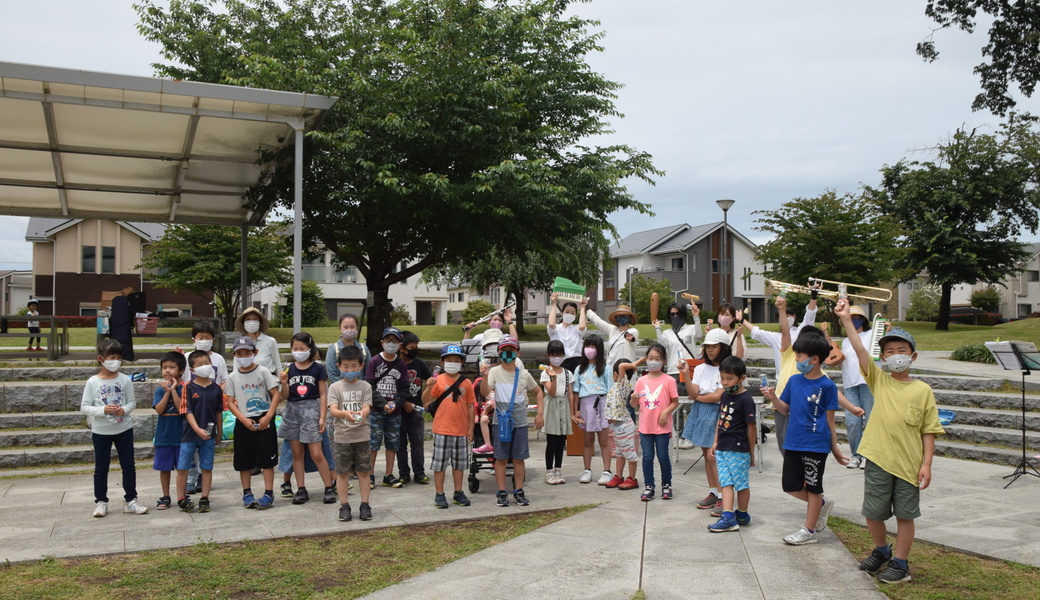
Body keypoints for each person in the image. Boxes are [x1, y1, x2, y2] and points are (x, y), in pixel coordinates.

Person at [836, 300, 945, 584]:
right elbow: (859, 351)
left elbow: (928, 429)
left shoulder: (923, 390)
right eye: (890, 352)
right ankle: (882, 550)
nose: (896, 356)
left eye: (902, 351)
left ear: (914, 356)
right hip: (878, 459)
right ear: (882, 358)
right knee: (873, 512)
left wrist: (927, 464)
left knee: (906, 516)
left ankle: (901, 563)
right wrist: (847, 320)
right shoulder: (878, 381)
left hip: (908, 465)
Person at [762, 332, 848, 546]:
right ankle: (821, 504)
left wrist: (834, 448)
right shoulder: (793, 381)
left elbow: (830, 420)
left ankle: (808, 530)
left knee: (813, 487)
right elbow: (785, 410)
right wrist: (773, 398)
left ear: (814, 359)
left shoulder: (827, 386)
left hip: (815, 444)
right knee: (790, 485)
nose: (797, 360)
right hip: (793, 441)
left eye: (800, 356)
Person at [81, 339, 148, 517]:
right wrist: (103, 410)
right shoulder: (93, 382)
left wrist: (123, 410)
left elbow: (132, 402)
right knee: (101, 467)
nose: (116, 361)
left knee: (128, 465)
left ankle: (131, 500)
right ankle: (101, 501)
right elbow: (85, 407)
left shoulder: (125, 380)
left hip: (123, 429)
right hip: (101, 431)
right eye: (112, 357)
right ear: (101, 359)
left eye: (119, 357)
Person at [480, 335, 543, 507]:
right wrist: (485, 376)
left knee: (518, 458)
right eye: (504, 350)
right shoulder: (494, 372)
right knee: (500, 458)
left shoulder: (523, 374)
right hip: (501, 423)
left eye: (511, 350)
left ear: (518, 352)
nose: (508, 353)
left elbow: (538, 391)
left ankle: (519, 490)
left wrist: (540, 414)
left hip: (520, 422)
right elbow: (485, 391)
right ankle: (501, 492)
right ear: (499, 353)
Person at [224, 336, 282, 510]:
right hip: (244, 421)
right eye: (239, 353)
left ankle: (268, 493)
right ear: (234, 355)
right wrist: (242, 419)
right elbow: (230, 402)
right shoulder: (233, 377)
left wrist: (268, 417)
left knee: (267, 460)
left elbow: (276, 395)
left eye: (247, 353)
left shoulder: (264, 372)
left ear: (255, 353)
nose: (243, 356)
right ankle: (247, 492)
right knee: (244, 460)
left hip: (264, 419)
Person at [279, 332, 335, 505]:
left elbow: (323, 394)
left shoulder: (318, 368)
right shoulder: (289, 368)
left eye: (302, 348)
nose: (298, 351)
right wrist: (283, 383)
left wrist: (322, 416)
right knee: (297, 453)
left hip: (311, 410)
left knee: (317, 453)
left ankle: (328, 487)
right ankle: (301, 489)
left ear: (310, 349)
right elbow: (285, 396)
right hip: (292, 411)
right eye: (295, 348)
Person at [679, 328, 732, 512]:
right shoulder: (700, 368)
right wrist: (686, 374)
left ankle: (722, 495)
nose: (710, 350)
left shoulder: (728, 368)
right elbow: (693, 392)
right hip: (701, 413)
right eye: (707, 346)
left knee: (714, 457)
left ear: (723, 347)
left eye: (714, 346)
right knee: (706, 456)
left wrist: (699, 397)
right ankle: (713, 492)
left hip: (718, 414)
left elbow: (717, 396)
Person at [179, 320, 228, 495]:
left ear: (213, 339)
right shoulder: (187, 358)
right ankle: (190, 478)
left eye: (208, 337)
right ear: (194, 339)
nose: (204, 340)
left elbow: (223, 380)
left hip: (211, 404)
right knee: (190, 443)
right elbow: (182, 378)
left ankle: (201, 476)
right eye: (201, 337)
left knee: (207, 441)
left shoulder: (218, 358)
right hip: (193, 403)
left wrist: (217, 394)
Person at [707, 356, 756, 532]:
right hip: (722, 448)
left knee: (741, 484)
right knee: (726, 483)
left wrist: (751, 452)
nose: (725, 383)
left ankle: (741, 514)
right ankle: (728, 515)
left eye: (730, 378)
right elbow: (720, 420)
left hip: (738, 449)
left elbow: (751, 428)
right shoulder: (725, 396)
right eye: (723, 378)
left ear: (742, 378)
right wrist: (715, 442)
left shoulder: (746, 399)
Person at [423, 344, 475, 508]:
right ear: (443, 362)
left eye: (456, 360)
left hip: (460, 430)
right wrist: (429, 387)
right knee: (440, 464)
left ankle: (458, 492)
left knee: (459, 464)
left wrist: (471, 428)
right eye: (449, 360)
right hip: (442, 429)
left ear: (462, 362)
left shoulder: (466, 382)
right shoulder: (438, 380)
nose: (453, 363)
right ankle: (439, 494)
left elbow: (470, 405)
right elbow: (425, 402)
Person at [327, 345, 374, 522]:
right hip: (342, 437)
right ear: (339, 366)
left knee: (364, 472)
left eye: (354, 366)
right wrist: (345, 414)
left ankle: (365, 504)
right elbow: (333, 410)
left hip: (362, 435)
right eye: (345, 366)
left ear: (361, 366)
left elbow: (367, 407)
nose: (350, 370)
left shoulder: (365, 386)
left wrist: (362, 414)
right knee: (343, 473)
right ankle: (344, 506)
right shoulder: (335, 387)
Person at [176, 350, 225, 513]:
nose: (204, 366)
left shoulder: (216, 389)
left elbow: (219, 411)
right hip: (189, 435)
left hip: (209, 436)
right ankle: (181, 498)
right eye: (199, 364)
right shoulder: (188, 387)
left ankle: (205, 497)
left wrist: (219, 432)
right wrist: (197, 429)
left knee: (207, 467)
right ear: (192, 369)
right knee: (183, 467)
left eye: (207, 363)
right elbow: (186, 411)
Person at [632, 343, 679, 501]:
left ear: (664, 361)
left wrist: (666, 412)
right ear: (646, 359)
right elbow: (634, 404)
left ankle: (666, 484)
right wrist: (633, 398)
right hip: (646, 426)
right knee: (647, 457)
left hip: (662, 426)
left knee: (663, 456)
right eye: (651, 358)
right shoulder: (641, 381)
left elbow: (675, 401)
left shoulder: (669, 380)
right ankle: (649, 486)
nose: (654, 361)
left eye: (657, 359)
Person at [653, 301, 702, 449]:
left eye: (677, 314)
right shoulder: (668, 333)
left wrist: (696, 317)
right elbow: (663, 344)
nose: (675, 316)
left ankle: (690, 436)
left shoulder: (691, 329)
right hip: (674, 371)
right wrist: (657, 329)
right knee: (676, 406)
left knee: (693, 405)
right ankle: (679, 435)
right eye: (672, 314)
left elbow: (699, 336)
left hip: (690, 371)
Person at [366, 327, 410, 488]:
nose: (391, 344)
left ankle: (389, 474)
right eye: (388, 340)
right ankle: (369, 475)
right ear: (382, 342)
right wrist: (382, 403)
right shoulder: (375, 361)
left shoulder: (401, 364)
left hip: (395, 411)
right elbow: (369, 386)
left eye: (395, 341)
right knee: (373, 443)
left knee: (392, 443)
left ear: (400, 344)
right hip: (376, 411)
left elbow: (405, 388)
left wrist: (395, 403)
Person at [835, 305, 875, 469]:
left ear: (863, 320)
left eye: (855, 318)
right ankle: (856, 455)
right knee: (852, 422)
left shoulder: (871, 334)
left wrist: (888, 329)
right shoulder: (845, 342)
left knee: (871, 420)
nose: (852, 321)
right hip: (850, 384)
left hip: (868, 383)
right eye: (849, 319)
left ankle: (870, 455)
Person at [571, 335, 614, 485]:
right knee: (588, 440)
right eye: (587, 346)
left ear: (600, 349)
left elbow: (611, 391)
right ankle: (587, 469)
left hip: (602, 404)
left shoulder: (606, 368)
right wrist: (575, 410)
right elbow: (576, 391)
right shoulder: (579, 369)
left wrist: (610, 411)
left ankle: (607, 471)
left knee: (604, 440)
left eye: (593, 346)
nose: (590, 350)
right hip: (585, 405)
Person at [152, 351, 186, 510]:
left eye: (171, 367)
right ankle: (165, 496)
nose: (167, 371)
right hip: (164, 436)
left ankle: (182, 495)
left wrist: (173, 390)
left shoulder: (185, 389)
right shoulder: (159, 390)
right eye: (164, 367)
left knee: (182, 468)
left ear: (180, 371)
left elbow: (181, 409)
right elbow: (159, 410)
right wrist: (167, 392)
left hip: (181, 436)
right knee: (164, 468)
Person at [398, 330, 431, 485]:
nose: (415, 350)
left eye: (416, 346)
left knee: (417, 442)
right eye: (412, 347)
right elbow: (390, 389)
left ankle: (419, 472)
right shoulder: (396, 365)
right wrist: (403, 403)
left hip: (416, 411)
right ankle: (403, 473)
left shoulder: (419, 364)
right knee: (400, 444)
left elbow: (429, 379)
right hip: (398, 410)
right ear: (402, 348)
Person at [604, 358, 642, 490]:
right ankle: (618, 476)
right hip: (616, 426)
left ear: (617, 374)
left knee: (630, 454)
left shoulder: (623, 384)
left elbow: (621, 366)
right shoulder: (616, 387)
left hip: (625, 426)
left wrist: (636, 363)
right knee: (620, 453)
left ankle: (632, 478)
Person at [540, 340, 575, 485]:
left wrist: (572, 412)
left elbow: (571, 394)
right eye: (554, 355)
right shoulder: (545, 373)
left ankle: (558, 470)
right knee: (552, 442)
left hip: (564, 406)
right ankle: (549, 472)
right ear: (548, 356)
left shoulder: (568, 373)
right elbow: (552, 393)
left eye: (559, 355)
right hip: (551, 406)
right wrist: (553, 377)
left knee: (561, 442)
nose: (557, 358)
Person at [585, 304, 640, 370]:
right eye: (619, 316)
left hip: (626, 372)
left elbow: (632, 334)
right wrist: (587, 309)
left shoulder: (633, 331)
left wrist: (630, 336)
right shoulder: (612, 330)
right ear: (616, 318)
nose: (621, 317)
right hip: (610, 370)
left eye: (624, 315)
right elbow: (598, 321)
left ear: (630, 318)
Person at [547, 293, 588, 372]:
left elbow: (582, 326)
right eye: (567, 312)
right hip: (560, 361)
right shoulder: (556, 329)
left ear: (576, 315)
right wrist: (554, 304)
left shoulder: (576, 329)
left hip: (577, 362)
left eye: (572, 313)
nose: (569, 314)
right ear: (562, 313)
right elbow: (551, 324)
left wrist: (582, 308)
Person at [235, 307, 280, 374]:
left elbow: (278, 364)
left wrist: (281, 380)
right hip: (247, 381)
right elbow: (236, 369)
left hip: (269, 380)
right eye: (248, 319)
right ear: (244, 324)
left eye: (255, 319)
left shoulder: (270, 341)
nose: (251, 322)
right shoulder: (240, 344)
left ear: (260, 323)